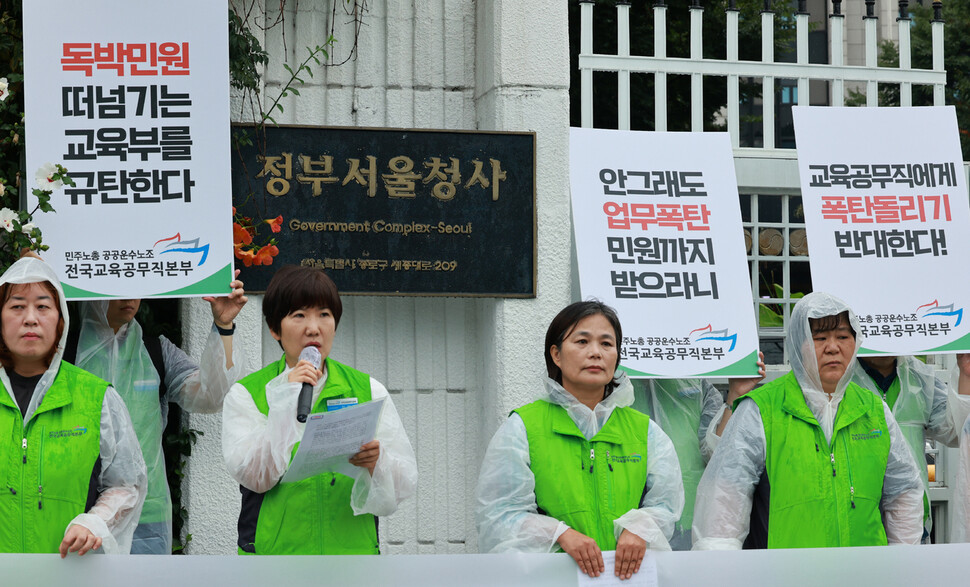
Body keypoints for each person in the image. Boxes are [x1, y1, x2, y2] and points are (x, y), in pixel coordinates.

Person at [692, 292, 924, 549]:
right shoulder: (761, 410)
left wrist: (903, 563)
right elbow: (724, 506)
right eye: (820, 338)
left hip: (863, 574)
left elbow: (904, 494)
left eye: (843, 337)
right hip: (782, 575)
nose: (833, 347)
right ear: (797, 344)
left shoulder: (873, 411)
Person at [476, 301, 684, 581]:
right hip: (551, 579)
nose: (595, 353)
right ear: (556, 355)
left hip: (625, 579)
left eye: (606, 344)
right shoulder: (523, 428)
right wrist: (559, 534)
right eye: (582, 341)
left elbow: (666, 505)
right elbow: (499, 516)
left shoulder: (644, 431)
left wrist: (641, 528)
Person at [222, 265, 416, 555]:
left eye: (324, 315)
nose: (314, 327)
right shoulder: (248, 394)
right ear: (275, 329)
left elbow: (400, 489)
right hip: (275, 561)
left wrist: (377, 462)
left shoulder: (368, 390)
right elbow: (255, 476)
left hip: (353, 559)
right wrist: (286, 400)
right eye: (299, 315)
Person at [65, 270, 248, 554]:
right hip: (79, 513)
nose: (129, 297)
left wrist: (224, 326)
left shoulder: (155, 351)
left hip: (146, 512)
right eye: (116, 286)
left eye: (135, 284)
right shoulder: (63, 352)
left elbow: (211, 396)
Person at [0, 256, 147, 555]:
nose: (30, 318)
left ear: (60, 320)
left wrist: (94, 522)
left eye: (43, 306)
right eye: (17, 306)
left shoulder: (96, 397)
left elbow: (126, 484)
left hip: (69, 573)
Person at [630, 355, 764, 551]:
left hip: (689, 520)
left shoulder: (697, 386)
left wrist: (735, 393)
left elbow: (718, 455)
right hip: (629, 529)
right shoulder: (608, 388)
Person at [849, 353, 970, 540]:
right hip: (856, 523)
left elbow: (959, 430)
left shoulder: (918, 377)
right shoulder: (839, 377)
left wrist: (966, 371)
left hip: (911, 523)